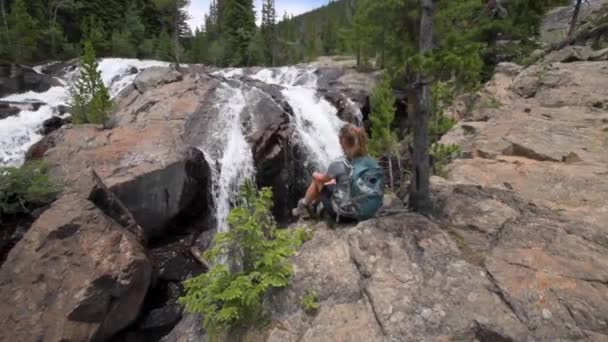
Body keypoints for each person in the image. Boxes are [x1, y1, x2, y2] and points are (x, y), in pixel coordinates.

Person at [292, 123, 385, 223]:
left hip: (346, 215)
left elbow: (322, 179)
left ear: (343, 142)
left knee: (317, 181)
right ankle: (314, 206)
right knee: (334, 184)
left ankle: (304, 206)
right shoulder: (371, 161)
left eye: (340, 140)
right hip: (370, 212)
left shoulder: (339, 163)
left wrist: (314, 174)